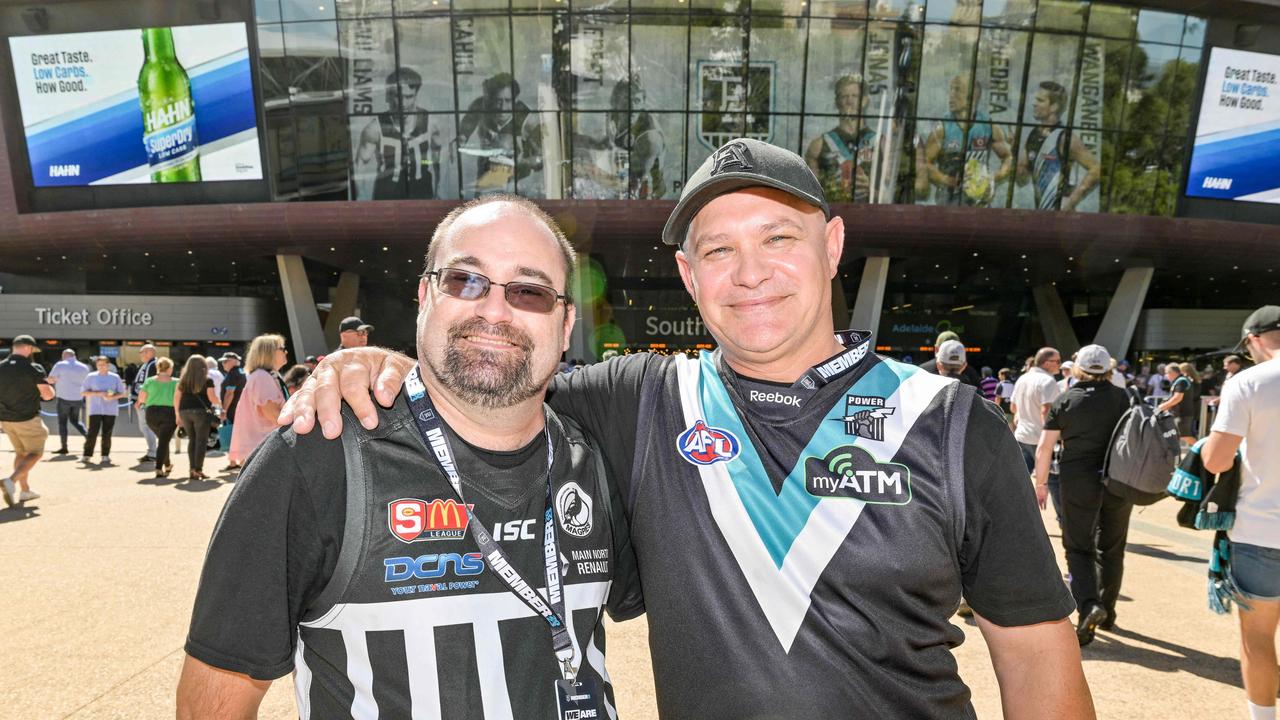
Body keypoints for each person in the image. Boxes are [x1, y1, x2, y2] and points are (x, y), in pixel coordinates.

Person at [286, 138, 1095, 718]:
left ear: (833, 245)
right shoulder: (639, 399)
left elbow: (1033, 657)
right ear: (687, 273)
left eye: (779, 237)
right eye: (718, 250)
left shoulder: (952, 424)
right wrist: (379, 365)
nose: (749, 273)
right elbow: (494, 374)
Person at [177, 196, 641, 718]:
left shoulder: (598, 460)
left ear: (565, 321)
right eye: (465, 280)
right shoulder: (318, 457)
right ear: (425, 296)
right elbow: (215, 698)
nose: (494, 310)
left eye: (529, 291)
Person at [1201, 306, 1280, 720]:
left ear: (1252, 340)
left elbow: (1216, 460)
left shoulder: (1248, 382)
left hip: (1261, 530)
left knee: (1259, 637)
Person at [1033, 345, 1132, 646]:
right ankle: (1109, 611)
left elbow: (1045, 446)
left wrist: (1040, 484)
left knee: (1078, 547)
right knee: (1112, 546)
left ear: (1078, 369)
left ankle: (1089, 605)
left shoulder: (1067, 399)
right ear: (1108, 369)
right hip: (1117, 479)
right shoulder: (1122, 397)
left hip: (1078, 480)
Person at [922, 75, 1013, 207]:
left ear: (973, 96)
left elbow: (1008, 157)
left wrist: (993, 178)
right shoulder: (942, 128)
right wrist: (947, 180)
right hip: (948, 202)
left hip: (979, 204)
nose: (951, 95)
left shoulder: (987, 125)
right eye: (951, 89)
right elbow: (926, 164)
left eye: (957, 90)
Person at [1016, 80, 1100, 212]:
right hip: (1041, 215)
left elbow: (1096, 169)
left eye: (1040, 100)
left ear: (1054, 106)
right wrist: (1014, 151)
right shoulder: (1033, 134)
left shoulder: (1064, 138)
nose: (1034, 104)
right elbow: (1022, 180)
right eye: (1035, 100)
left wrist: (1072, 201)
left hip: (1061, 221)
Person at [0, 335, 54, 506]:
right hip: (27, 418)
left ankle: (25, 491)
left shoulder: (1, 367)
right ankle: (11, 481)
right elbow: (47, 395)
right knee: (36, 452)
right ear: (29, 348)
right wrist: (50, 387)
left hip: (6, 420)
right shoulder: (32, 368)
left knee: (21, 453)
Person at [804, 74, 876, 203]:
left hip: (871, 216)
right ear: (837, 101)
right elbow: (810, 193)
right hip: (832, 214)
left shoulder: (880, 144)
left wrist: (872, 191)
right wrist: (831, 189)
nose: (850, 101)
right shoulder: (818, 145)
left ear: (864, 100)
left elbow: (892, 191)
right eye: (844, 96)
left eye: (855, 96)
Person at [228, 334, 288, 464]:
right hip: (264, 450)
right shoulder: (262, 377)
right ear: (269, 352)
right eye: (282, 348)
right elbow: (273, 415)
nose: (286, 352)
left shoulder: (266, 375)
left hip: (264, 448)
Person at [1010, 346, 1063, 471]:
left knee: (1022, 480)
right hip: (1041, 439)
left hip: (1022, 437)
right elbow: (1046, 411)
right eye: (1058, 361)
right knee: (1051, 480)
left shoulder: (1022, 378)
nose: (1060, 365)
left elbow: (1013, 408)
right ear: (1047, 363)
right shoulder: (1048, 381)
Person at [174, 355, 220, 481]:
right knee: (201, 441)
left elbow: (177, 398)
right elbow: (212, 398)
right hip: (201, 413)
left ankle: (192, 469)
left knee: (192, 440)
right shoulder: (207, 380)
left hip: (184, 412)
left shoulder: (183, 381)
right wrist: (221, 404)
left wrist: (177, 415)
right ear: (203, 366)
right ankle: (198, 470)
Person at [137, 357, 179, 479]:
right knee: (163, 441)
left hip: (151, 412)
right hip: (169, 412)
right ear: (170, 369)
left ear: (158, 368)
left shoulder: (149, 381)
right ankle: (158, 467)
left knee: (162, 440)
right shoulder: (177, 382)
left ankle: (167, 464)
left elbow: (142, 399)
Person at [81, 355, 127, 464]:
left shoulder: (114, 377)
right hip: (95, 409)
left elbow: (122, 393)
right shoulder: (91, 376)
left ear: (108, 365)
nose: (101, 367)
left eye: (103, 365)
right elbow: (83, 392)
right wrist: (99, 393)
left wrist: (113, 396)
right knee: (92, 432)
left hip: (110, 409)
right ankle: (87, 454)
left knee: (107, 433)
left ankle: (105, 455)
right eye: (99, 365)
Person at [47, 347, 89, 455]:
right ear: (74, 355)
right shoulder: (84, 367)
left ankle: (64, 447)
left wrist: (54, 380)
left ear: (64, 355)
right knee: (76, 421)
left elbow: (51, 379)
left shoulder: (60, 365)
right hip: (78, 398)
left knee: (62, 423)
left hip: (63, 398)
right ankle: (89, 437)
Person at [131, 344, 160, 464]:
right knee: (145, 427)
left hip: (145, 401)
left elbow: (148, 385)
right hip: (144, 400)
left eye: (141, 352)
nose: (140, 355)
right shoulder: (148, 364)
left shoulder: (152, 364)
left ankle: (153, 452)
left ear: (149, 352)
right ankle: (153, 451)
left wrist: (140, 400)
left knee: (146, 426)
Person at [217, 352, 245, 469]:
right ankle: (237, 461)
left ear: (234, 361)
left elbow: (229, 393)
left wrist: (224, 410)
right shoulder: (242, 372)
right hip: (241, 410)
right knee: (239, 436)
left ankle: (238, 462)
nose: (223, 364)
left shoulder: (233, 374)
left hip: (233, 410)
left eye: (225, 361)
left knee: (234, 435)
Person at [1157, 363, 1195, 445]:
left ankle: (1201, 451)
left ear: (1172, 372)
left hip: (1183, 414)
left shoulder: (1182, 381)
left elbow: (1177, 398)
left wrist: (1163, 406)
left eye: (1167, 373)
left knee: (1184, 436)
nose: (1166, 375)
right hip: (1177, 414)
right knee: (1176, 435)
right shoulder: (1178, 381)